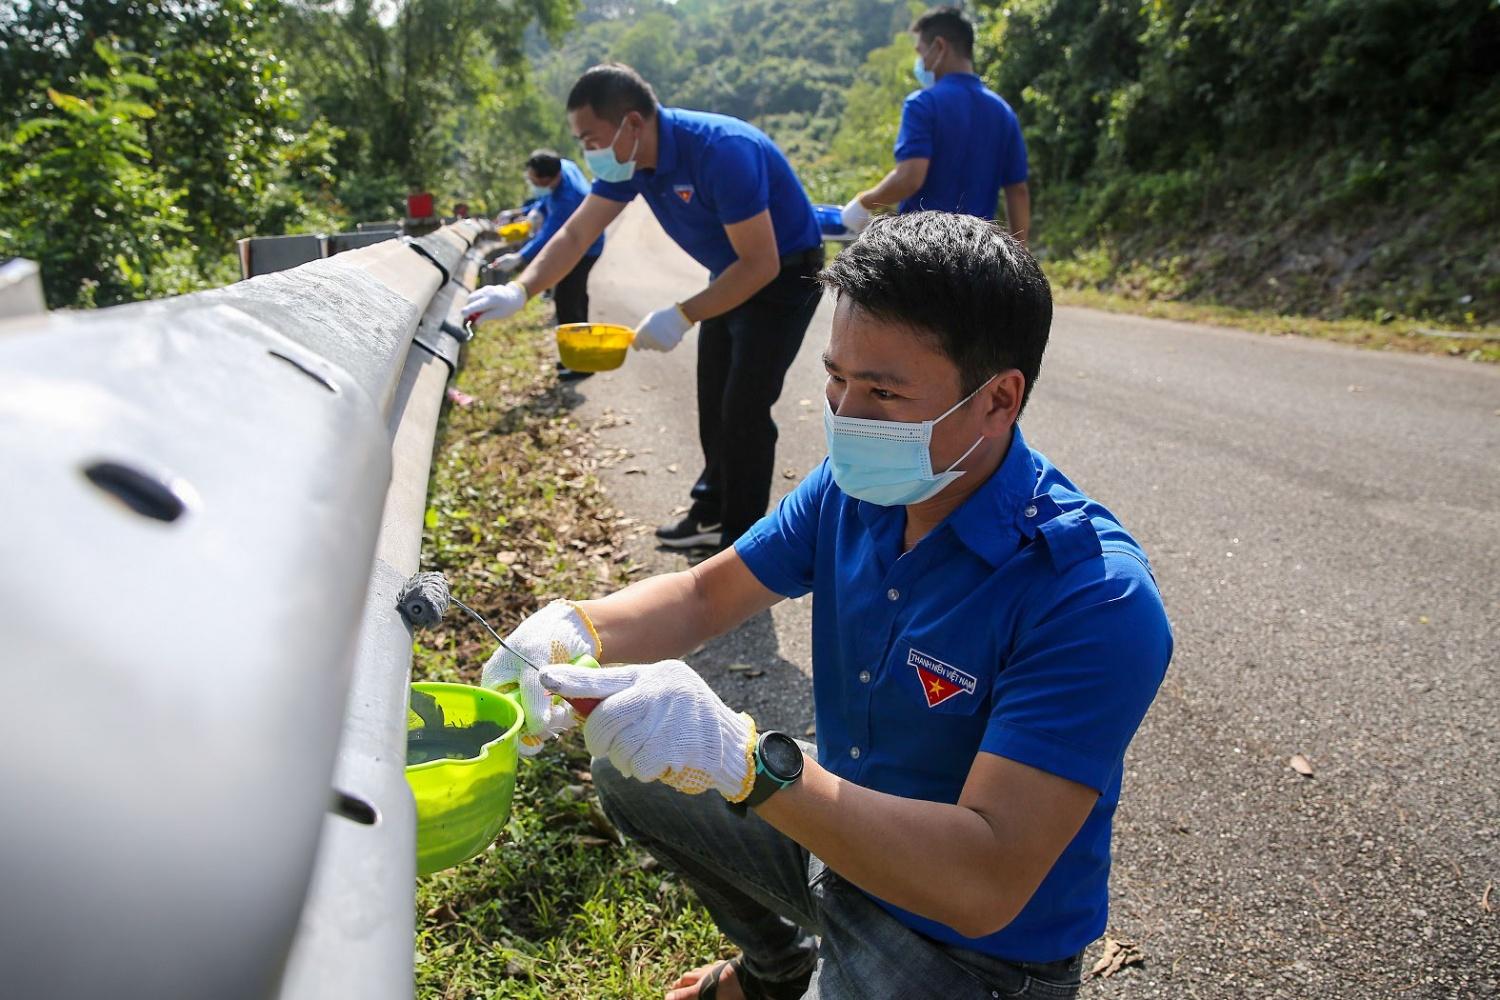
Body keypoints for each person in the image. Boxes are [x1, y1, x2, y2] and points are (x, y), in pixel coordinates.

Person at [484, 212, 1172, 999]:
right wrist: (578, 626)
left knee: (703, 764)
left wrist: (747, 768)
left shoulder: (1091, 596)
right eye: (837, 380)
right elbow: (707, 594)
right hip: (839, 838)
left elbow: (983, 879)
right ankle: (776, 968)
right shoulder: (856, 491)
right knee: (630, 768)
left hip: (969, 952)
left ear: (999, 400)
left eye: (883, 391)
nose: (847, 417)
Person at [462, 63, 825, 552]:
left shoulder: (721, 151)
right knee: (713, 400)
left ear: (632, 123)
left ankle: (741, 545)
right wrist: (520, 291)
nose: (587, 153)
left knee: (743, 408)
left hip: (782, 276)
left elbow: (760, 265)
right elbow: (575, 232)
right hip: (730, 272)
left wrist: (683, 314)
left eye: (591, 139)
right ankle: (711, 510)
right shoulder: (633, 162)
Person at [841, 6, 1030, 246]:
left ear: (939, 47)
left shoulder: (923, 104)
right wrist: (1019, 252)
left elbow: (909, 178)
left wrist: (863, 203)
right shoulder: (1003, 111)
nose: (922, 63)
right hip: (979, 252)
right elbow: (1018, 191)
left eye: (921, 53)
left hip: (921, 251)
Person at [488, 150, 607, 381]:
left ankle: (580, 363)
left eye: (534, 182)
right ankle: (580, 356)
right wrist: (525, 212)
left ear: (548, 179)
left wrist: (520, 258)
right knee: (575, 297)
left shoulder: (567, 199)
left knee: (568, 300)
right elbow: (545, 200)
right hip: (583, 242)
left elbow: (548, 236)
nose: (532, 185)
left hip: (584, 249)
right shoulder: (563, 167)